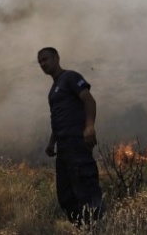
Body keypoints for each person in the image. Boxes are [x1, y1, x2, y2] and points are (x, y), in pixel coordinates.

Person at [37, 47, 103, 226]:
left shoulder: (70, 77)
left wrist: (89, 126)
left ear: (57, 58)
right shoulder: (53, 90)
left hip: (77, 141)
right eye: (40, 62)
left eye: (46, 59)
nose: (43, 64)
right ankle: (83, 228)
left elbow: (89, 100)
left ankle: (97, 227)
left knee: (86, 188)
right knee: (65, 195)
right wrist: (52, 143)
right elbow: (58, 119)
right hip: (63, 147)